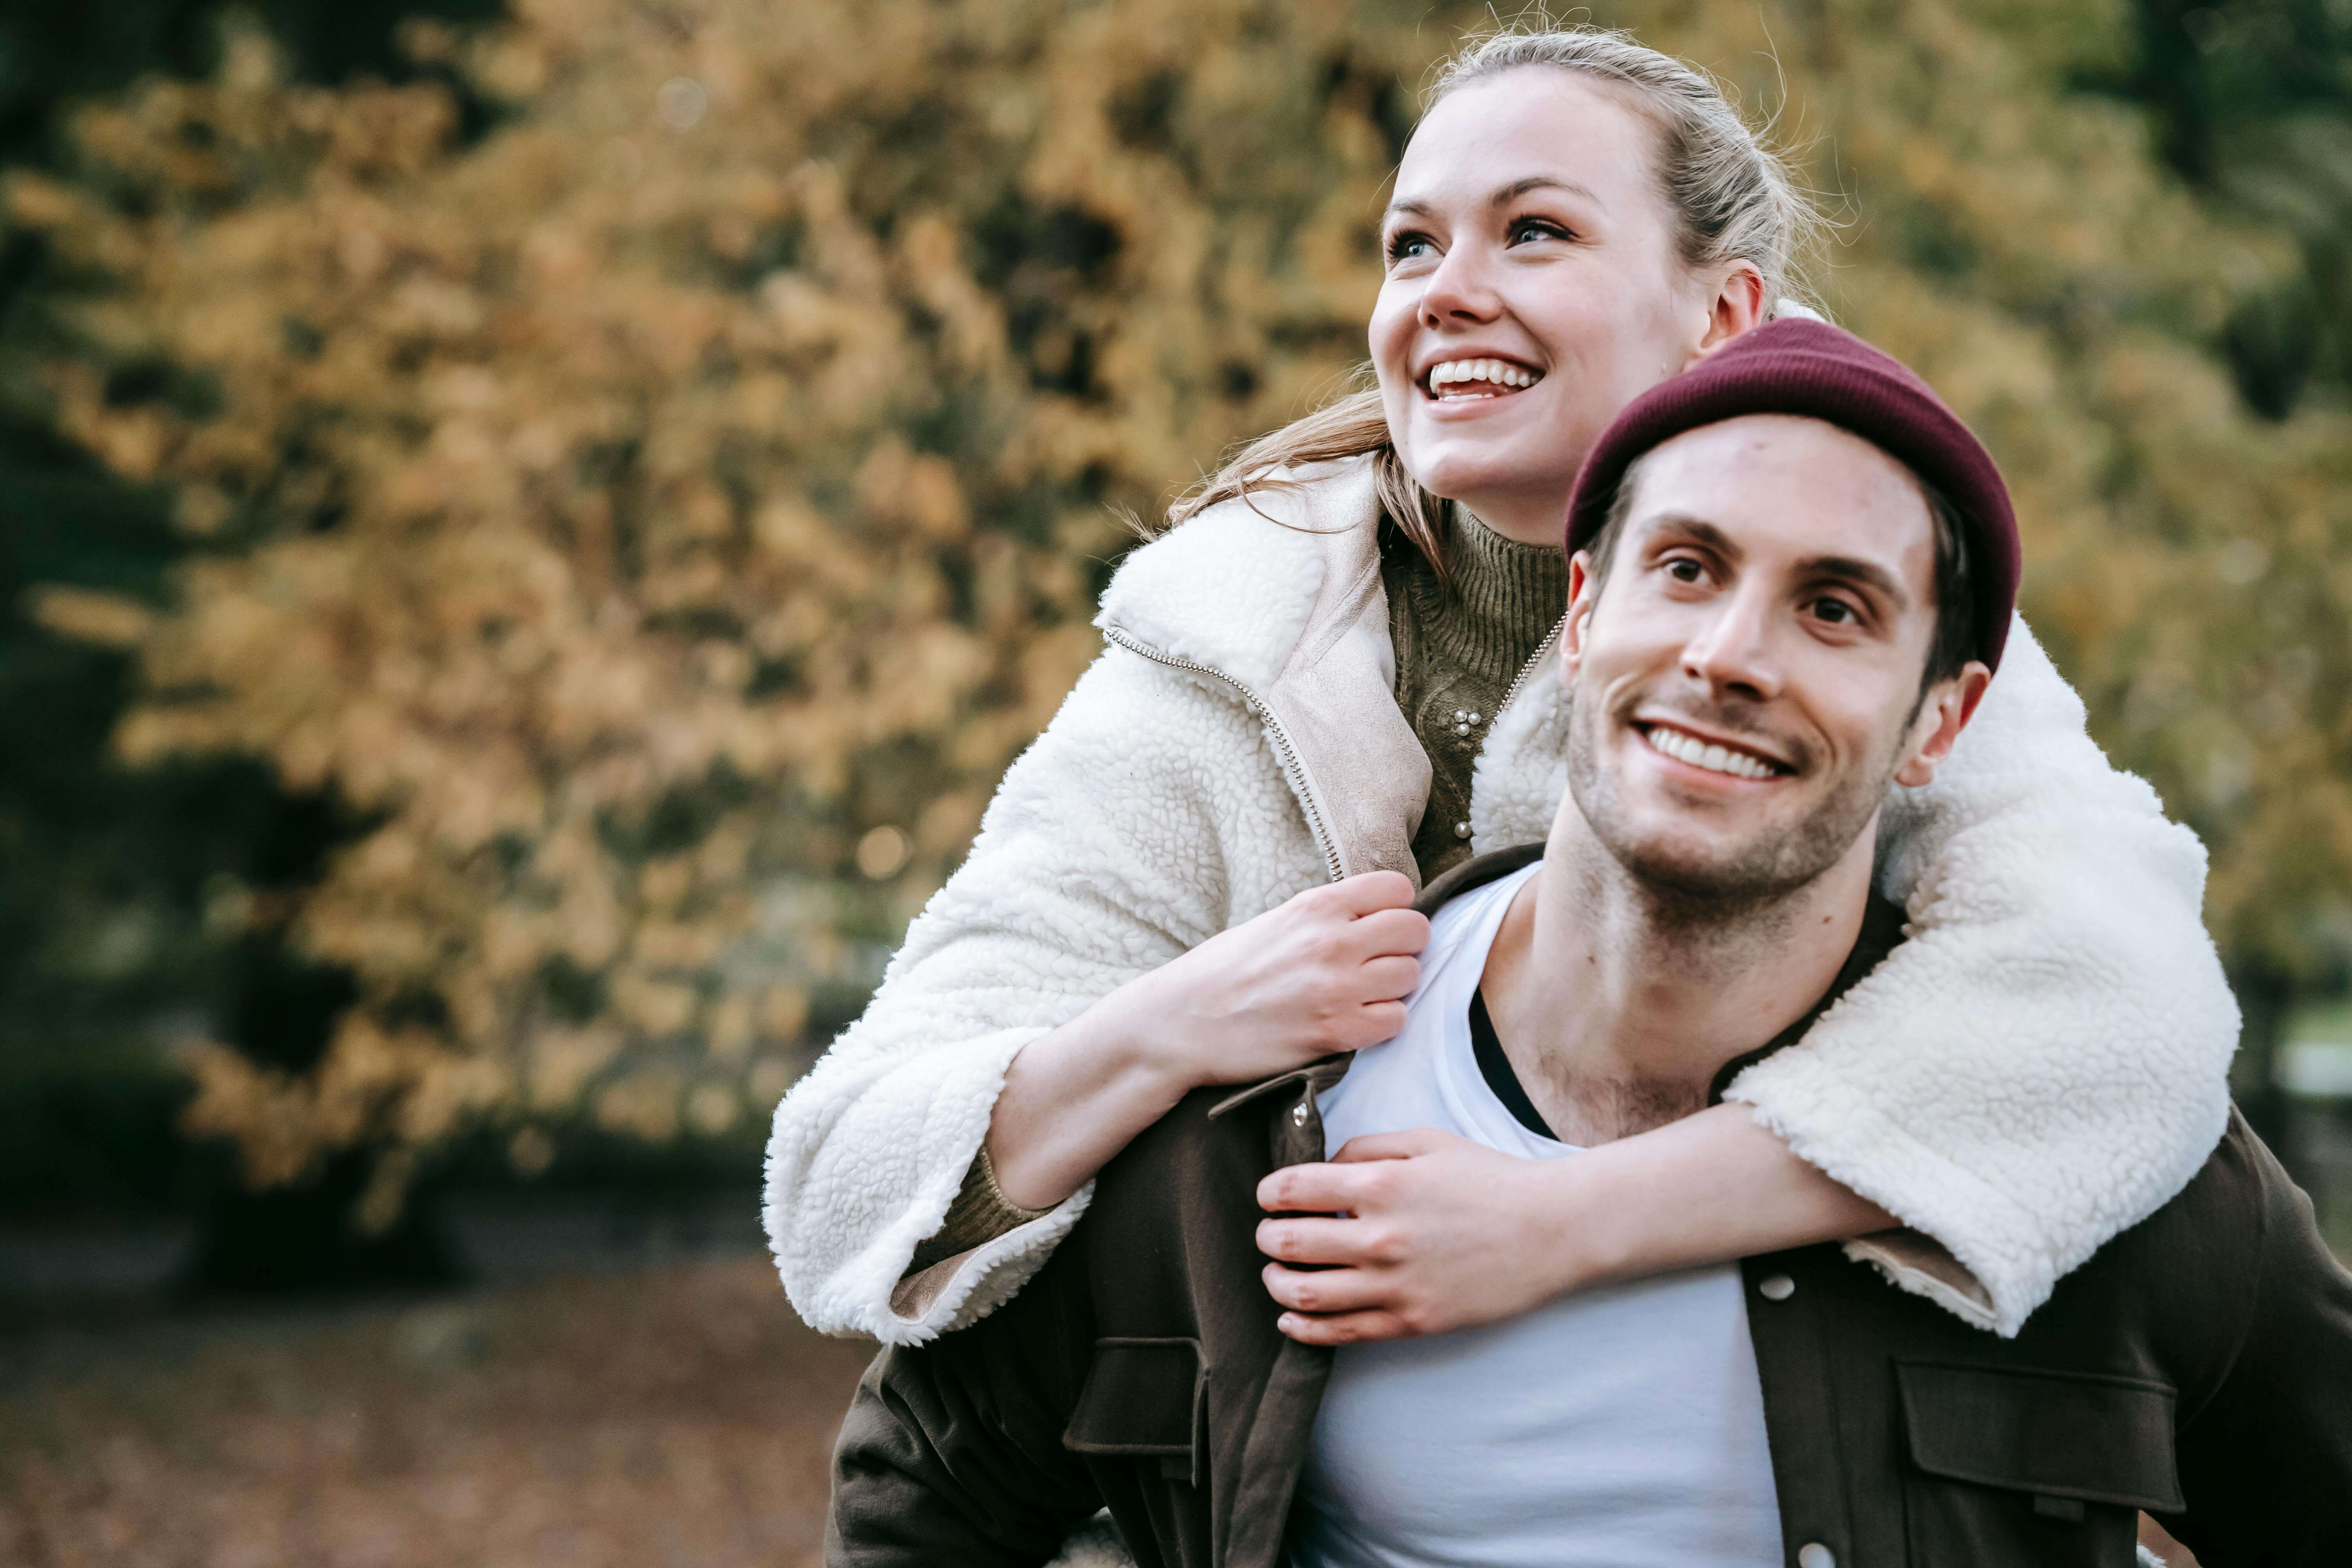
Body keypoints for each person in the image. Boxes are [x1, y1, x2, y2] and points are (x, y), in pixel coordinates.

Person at [765, 25, 2237, 1352]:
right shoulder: (1220, 649)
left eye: (1533, 233)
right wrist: (1166, 1023)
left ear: (1725, 314)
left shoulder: (1838, 635)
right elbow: (850, 1186)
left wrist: (1571, 1220)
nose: (1448, 295)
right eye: (1411, 248)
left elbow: (2127, 1018)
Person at [824, 319, 2352, 1568]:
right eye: (1686, 568)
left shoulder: (2084, 1163)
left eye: (1834, 609)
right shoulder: (1256, 1113)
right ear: (1579, 617)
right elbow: (921, 1498)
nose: (1729, 656)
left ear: (1938, 720)